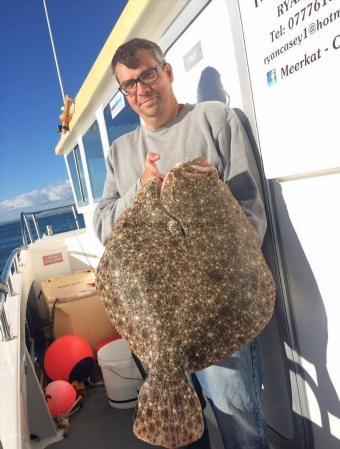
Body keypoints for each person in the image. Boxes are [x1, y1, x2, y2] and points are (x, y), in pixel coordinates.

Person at [94, 38, 269, 449]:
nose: (142, 90)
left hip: (218, 311)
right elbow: (103, 224)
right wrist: (141, 188)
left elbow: (250, 213)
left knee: (240, 425)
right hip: (155, 325)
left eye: (148, 75)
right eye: (130, 85)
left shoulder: (216, 120)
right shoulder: (120, 153)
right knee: (184, 439)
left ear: (167, 72)